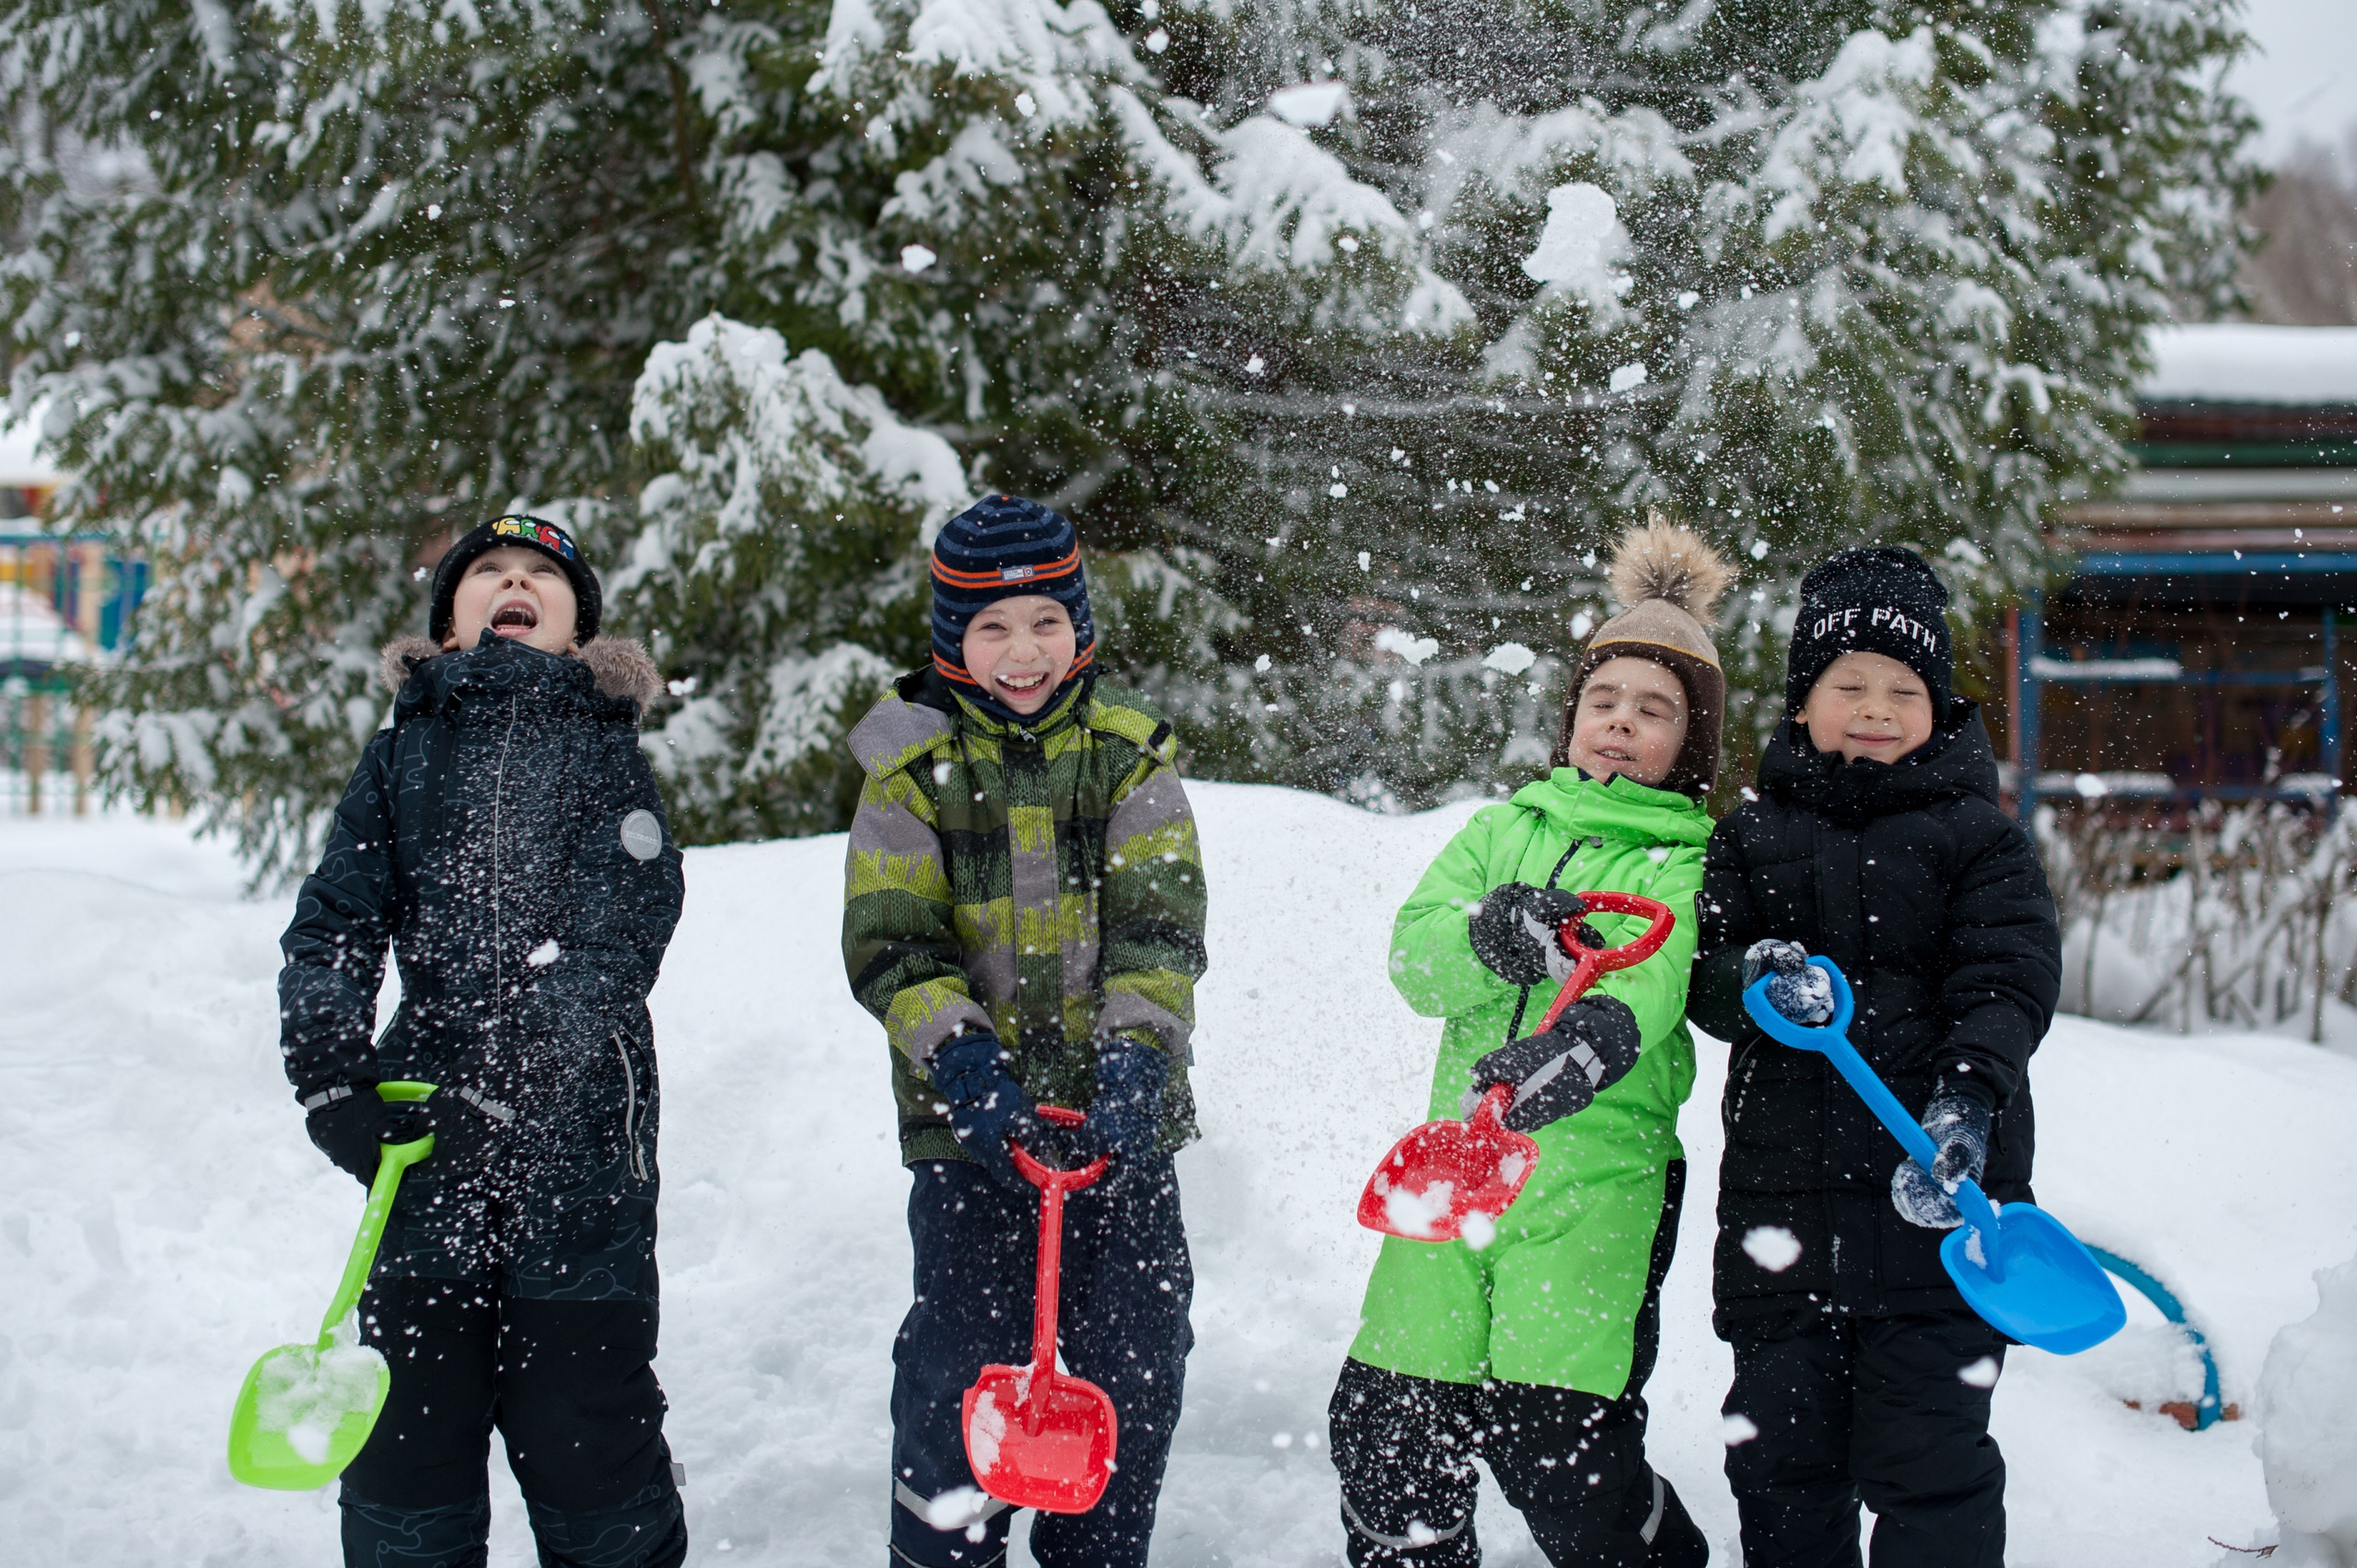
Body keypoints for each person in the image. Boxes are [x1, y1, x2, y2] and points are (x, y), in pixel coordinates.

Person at [278, 513, 687, 1568]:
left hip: (581, 1146)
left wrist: (509, 1075)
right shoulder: (399, 756)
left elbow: (617, 933)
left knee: (585, 1428)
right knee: (407, 1440)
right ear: (450, 625)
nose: (514, 581)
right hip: (419, 1153)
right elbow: (336, 918)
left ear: (575, 627)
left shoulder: (606, 754)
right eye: (489, 572)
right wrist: (331, 1076)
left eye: (540, 574)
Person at [1329, 518, 1726, 1568]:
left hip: (1592, 1187)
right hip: (1456, 1170)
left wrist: (1589, 1034)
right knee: (1386, 1428)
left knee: (1559, 1447)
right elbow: (1416, 961)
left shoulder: (1689, 864)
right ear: (1570, 716)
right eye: (1603, 700)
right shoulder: (1501, 831)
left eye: (1653, 710)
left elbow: (1649, 980)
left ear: (1690, 740)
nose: (1620, 723)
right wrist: (1492, 935)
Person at [842, 494, 1207, 1568]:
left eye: (1045, 621)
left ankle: (1098, 1547)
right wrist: (967, 1068)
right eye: (992, 627)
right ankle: (945, 1545)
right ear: (953, 637)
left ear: (1080, 626)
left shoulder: (1129, 754)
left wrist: (1135, 1063)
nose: (1022, 650)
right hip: (971, 1133)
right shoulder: (907, 770)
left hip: (1120, 1124)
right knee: (962, 1363)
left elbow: (1161, 928)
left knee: (1132, 1358)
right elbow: (893, 945)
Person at [1688, 546, 2062, 1568]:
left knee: (1929, 1462)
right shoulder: (1750, 836)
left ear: (1936, 707)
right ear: (1802, 701)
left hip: (1938, 1211)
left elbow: (2006, 979)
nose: (1874, 705)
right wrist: (1753, 978)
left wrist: (1967, 1104)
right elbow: (1702, 974)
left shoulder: (1980, 842)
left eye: (1902, 687)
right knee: (1781, 1463)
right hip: (1783, 1221)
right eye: (1845, 682)